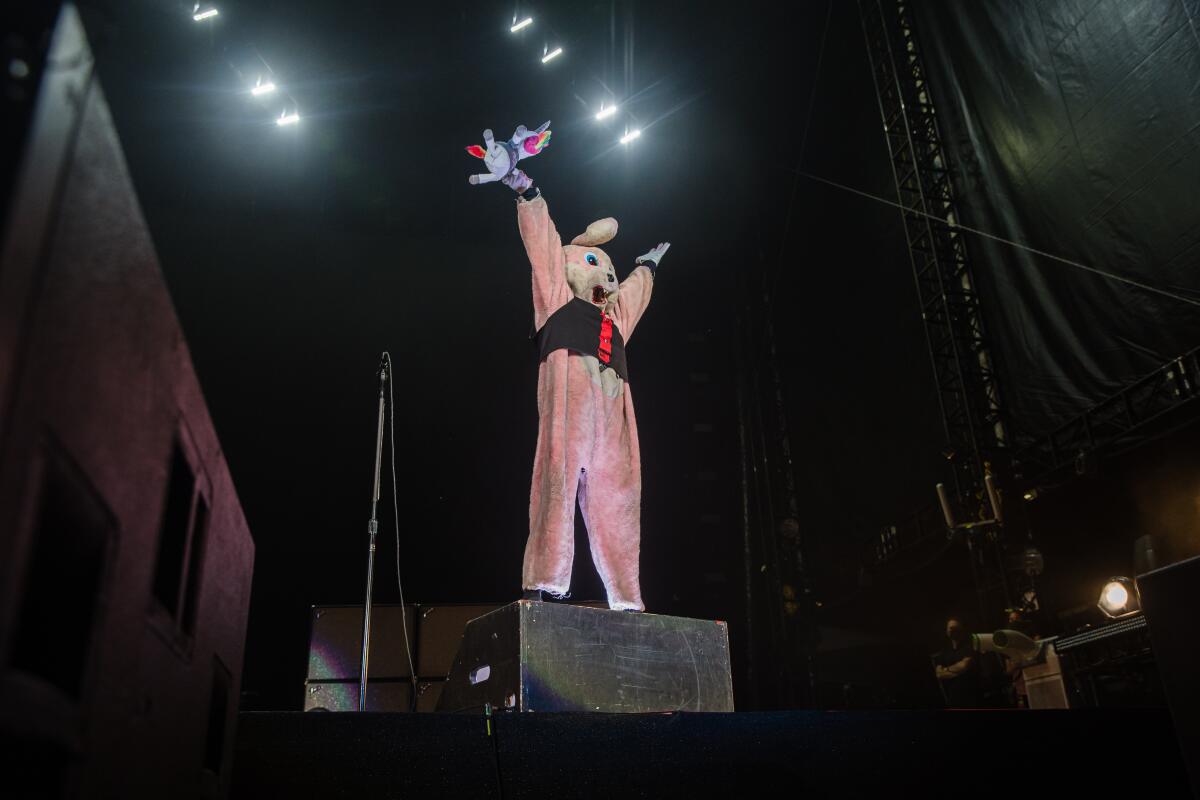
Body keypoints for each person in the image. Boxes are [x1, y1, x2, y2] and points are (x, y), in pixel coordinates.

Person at [934, 618, 980, 707]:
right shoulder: (945, 651)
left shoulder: (969, 647)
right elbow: (939, 674)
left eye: (954, 628)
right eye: (949, 628)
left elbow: (964, 665)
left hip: (972, 696)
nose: (951, 630)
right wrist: (959, 671)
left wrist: (946, 669)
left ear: (960, 630)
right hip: (954, 698)